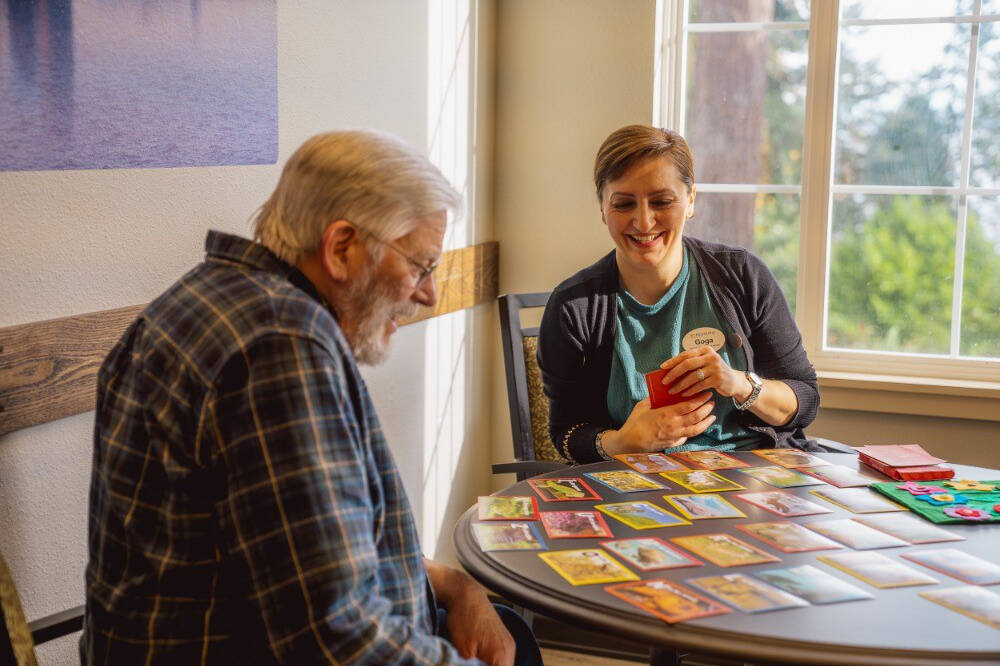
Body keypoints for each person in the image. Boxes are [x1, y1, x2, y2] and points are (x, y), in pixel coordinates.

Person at [81, 130, 541, 666]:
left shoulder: (208, 296)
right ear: (341, 248)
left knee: (510, 633)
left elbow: (309, 551)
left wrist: (461, 588)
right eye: (420, 266)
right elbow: (338, 642)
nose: (428, 294)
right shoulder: (279, 349)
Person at [538, 124, 821, 465]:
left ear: (690, 201)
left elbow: (804, 400)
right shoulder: (574, 307)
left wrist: (741, 384)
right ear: (602, 209)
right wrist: (623, 441)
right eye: (624, 204)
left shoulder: (743, 276)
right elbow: (565, 434)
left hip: (754, 481)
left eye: (661, 201)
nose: (643, 222)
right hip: (638, 488)